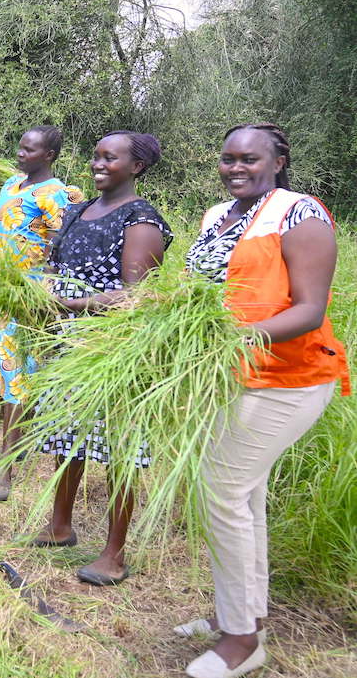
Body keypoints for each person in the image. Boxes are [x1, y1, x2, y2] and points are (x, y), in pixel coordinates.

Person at [175, 124, 348, 678]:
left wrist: (233, 341)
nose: (235, 168)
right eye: (227, 159)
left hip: (288, 377)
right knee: (242, 495)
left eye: (249, 158)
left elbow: (309, 310)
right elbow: (195, 291)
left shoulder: (300, 214)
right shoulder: (215, 215)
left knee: (221, 490)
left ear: (278, 160)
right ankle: (243, 613)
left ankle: (242, 642)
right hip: (232, 377)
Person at [29, 131, 173, 586]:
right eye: (95, 156)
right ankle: (60, 525)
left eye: (110, 158)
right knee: (65, 435)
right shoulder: (75, 211)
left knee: (118, 448)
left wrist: (73, 305)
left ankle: (114, 552)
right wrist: (40, 290)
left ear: (137, 167)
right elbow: (55, 268)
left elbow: (135, 298)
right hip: (65, 343)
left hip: (112, 350)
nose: (98, 164)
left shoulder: (141, 219)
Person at [0, 126, 82, 502]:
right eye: (20, 147)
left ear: (49, 155)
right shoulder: (13, 185)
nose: (20, 154)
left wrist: (43, 290)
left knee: (16, 372)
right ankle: (12, 446)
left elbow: (64, 244)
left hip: (25, 297)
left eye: (29, 150)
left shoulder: (55, 194)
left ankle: (7, 468)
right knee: (6, 371)